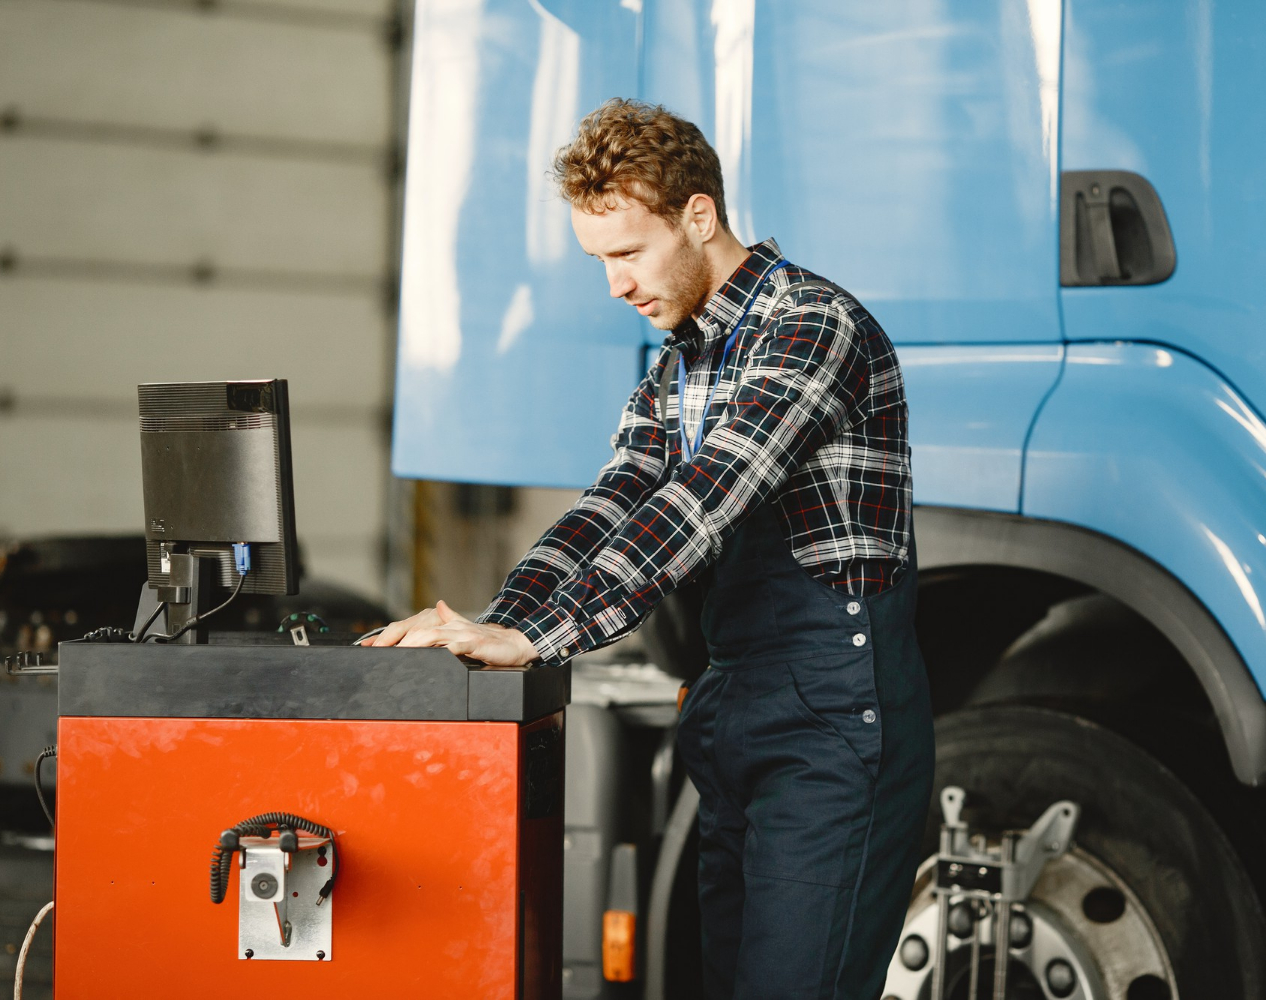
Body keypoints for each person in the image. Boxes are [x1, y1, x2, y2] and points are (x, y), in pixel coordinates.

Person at [369, 97, 934, 1000]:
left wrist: (547, 638)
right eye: (600, 261)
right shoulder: (678, 366)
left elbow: (700, 502)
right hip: (735, 709)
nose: (616, 286)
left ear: (698, 217)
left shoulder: (812, 328)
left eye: (628, 253)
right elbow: (615, 502)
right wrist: (497, 622)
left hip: (831, 727)